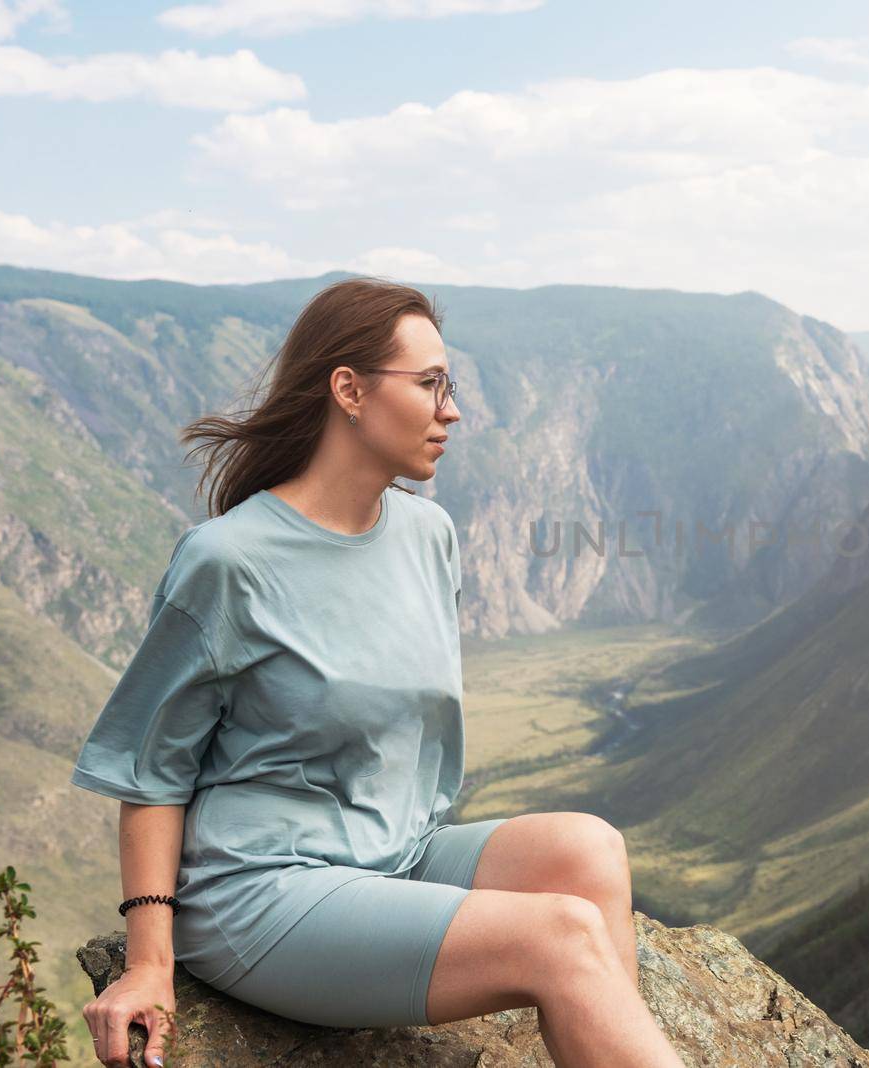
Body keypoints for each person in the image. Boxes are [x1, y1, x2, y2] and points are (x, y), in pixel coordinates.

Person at [72, 276, 685, 1068]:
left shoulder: (428, 535)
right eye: (430, 385)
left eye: (449, 385)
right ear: (349, 391)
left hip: (398, 854)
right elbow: (152, 771)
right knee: (561, 936)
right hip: (265, 890)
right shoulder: (229, 561)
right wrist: (149, 962)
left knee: (591, 850)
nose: (452, 409)